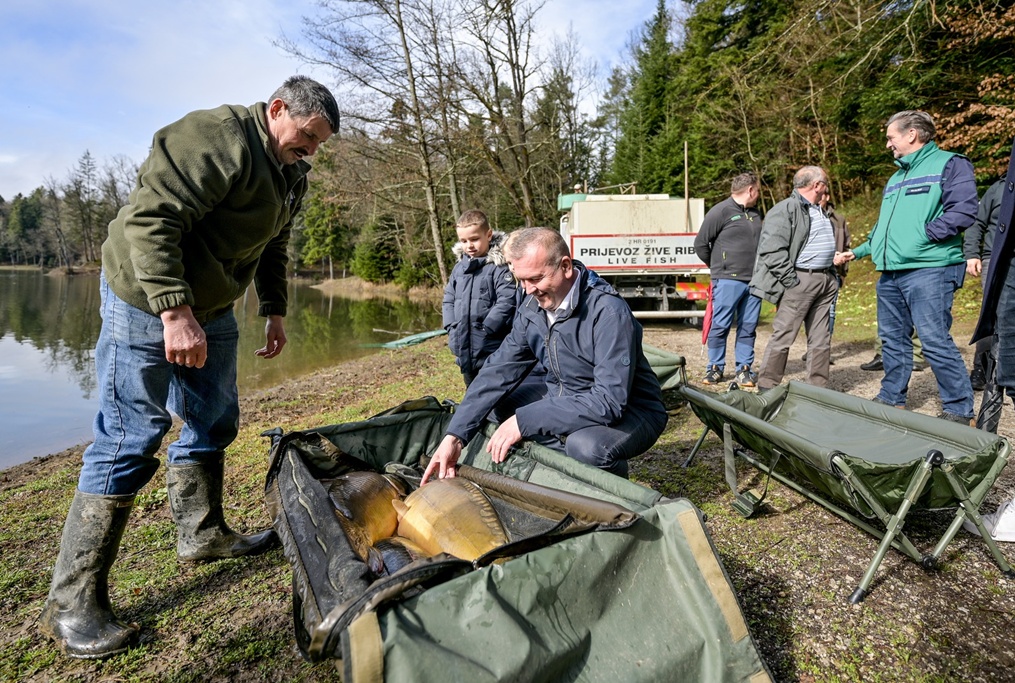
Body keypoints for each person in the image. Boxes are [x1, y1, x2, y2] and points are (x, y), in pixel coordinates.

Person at [39, 76, 340, 659]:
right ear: (276, 109)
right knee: (131, 436)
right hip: (144, 297)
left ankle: (201, 533)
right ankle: (72, 604)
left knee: (213, 416)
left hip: (213, 301)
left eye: (317, 146)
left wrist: (275, 310)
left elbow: (272, 245)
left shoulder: (290, 170)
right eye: (305, 138)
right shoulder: (214, 136)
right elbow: (151, 221)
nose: (310, 153)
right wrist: (174, 314)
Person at [422, 227, 667, 482]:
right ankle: (561, 466)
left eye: (536, 279)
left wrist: (524, 421)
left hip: (633, 410)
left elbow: (609, 401)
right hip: (568, 396)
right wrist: (455, 436)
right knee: (496, 405)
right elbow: (498, 369)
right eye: (521, 281)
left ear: (565, 266)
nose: (527, 290)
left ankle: (618, 498)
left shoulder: (608, 312)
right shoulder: (533, 307)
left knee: (586, 447)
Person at [837, 110, 977, 424]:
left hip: (931, 268)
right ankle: (892, 398)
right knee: (892, 339)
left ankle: (959, 409)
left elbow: (965, 211)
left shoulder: (951, 163)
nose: (888, 144)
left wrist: (923, 236)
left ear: (911, 134)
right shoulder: (896, 176)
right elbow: (883, 228)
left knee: (933, 339)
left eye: (891, 137)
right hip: (891, 272)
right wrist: (857, 252)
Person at [749, 166, 839, 391]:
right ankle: (767, 387)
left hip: (824, 279)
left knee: (821, 338)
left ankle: (818, 389)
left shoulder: (819, 209)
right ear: (816, 185)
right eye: (825, 183)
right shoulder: (785, 209)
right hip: (800, 280)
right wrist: (791, 281)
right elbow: (771, 250)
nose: (827, 187)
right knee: (784, 336)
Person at [967, 136, 1015, 539]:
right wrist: (976, 255)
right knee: (992, 348)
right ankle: (983, 433)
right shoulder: (996, 191)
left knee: (1005, 358)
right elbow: (979, 227)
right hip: (996, 275)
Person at [693, 172, 763, 386]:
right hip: (727, 280)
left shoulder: (756, 214)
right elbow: (701, 245)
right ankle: (714, 368)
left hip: (755, 281)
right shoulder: (720, 211)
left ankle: (744, 368)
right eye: (758, 190)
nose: (759, 194)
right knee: (720, 325)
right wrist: (719, 268)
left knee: (748, 326)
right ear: (750, 190)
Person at [442, 210, 518, 387]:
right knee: (471, 392)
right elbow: (448, 299)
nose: (469, 245)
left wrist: (488, 328)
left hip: (491, 346)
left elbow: (507, 300)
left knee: (492, 392)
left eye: (474, 239)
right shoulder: (459, 269)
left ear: (489, 235)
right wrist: (451, 327)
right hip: (464, 344)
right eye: (463, 241)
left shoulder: (499, 267)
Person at [965, 177, 1005, 390]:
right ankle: (981, 370)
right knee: (993, 313)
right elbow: (976, 222)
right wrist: (972, 254)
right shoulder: (998, 189)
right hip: (995, 259)